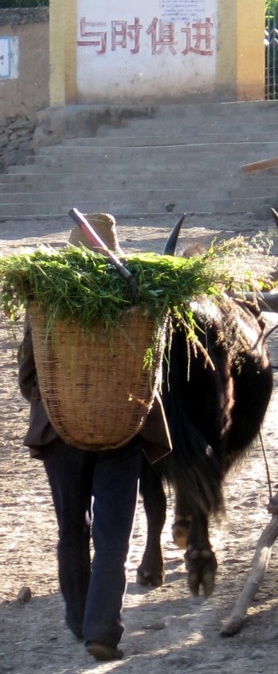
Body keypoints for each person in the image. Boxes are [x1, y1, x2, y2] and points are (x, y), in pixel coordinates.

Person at [17, 214, 172, 663]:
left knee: (72, 530)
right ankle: (103, 629)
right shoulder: (141, 295)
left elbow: (30, 377)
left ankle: (78, 617)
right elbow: (151, 372)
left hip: (60, 432)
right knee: (113, 537)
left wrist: (59, 401)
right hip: (123, 430)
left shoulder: (47, 302)